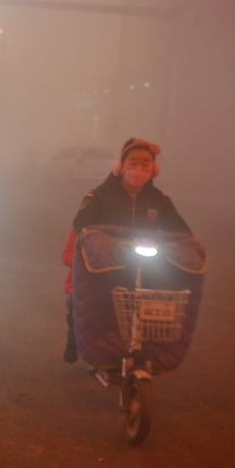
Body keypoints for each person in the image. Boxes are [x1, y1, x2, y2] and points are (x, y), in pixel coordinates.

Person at [62, 137, 191, 363]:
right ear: (121, 165)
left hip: (143, 261)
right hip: (105, 261)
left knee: (152, 304)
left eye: (146, 164)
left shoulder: (159, 200)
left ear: (154, 170)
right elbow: (80, 224)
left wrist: (188, 243)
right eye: (133, 163)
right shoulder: (100, 196)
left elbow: (180, 230)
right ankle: (75, 337)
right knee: (79, 301)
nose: (139, 170)